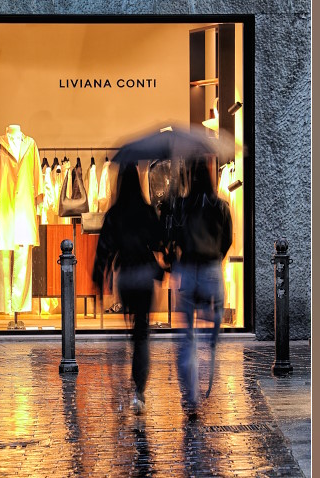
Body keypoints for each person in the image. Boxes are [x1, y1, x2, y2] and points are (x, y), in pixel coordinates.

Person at [92, 162, 166, 414]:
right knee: (142, 331)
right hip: (144, 275)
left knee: (132, 326)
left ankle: (132, 371)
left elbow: (104, 249)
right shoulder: (146, 211)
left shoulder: (115, 214)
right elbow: (159, 241)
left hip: (125, 276)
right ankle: (139, 390)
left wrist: (98, 277)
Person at [173, 157, 233, 417]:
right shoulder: (221, 205)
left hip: (189, 270)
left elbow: (174, 237)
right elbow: (228, 239)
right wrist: (216, 258)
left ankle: (191, 396)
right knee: (212, 327)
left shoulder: (183, 205)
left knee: (187, 338)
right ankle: (210, 355)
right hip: (211, 269)